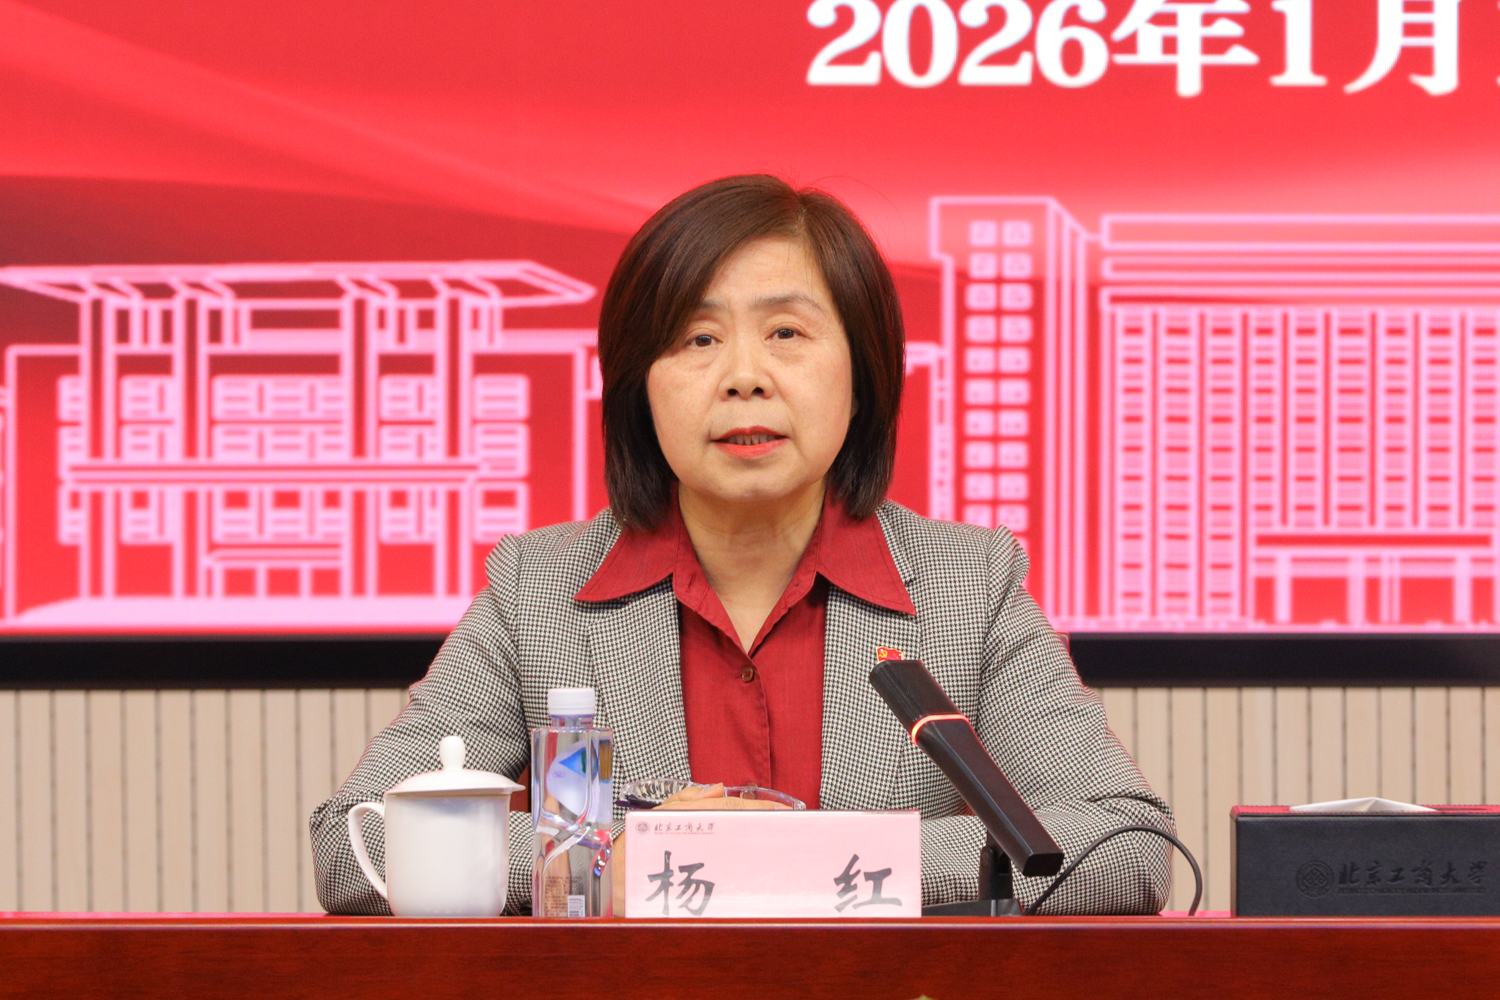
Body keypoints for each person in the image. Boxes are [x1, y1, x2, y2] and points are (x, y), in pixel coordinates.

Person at [311, 175, 1173, 916]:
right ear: (638, 389)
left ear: (863, 375)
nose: (744, 377)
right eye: (698, 340)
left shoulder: (968, 585)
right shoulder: (537, 589)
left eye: (786, 333)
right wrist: (601, 864)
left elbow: (1124, 846)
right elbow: (355, 840)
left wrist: (801, 859)